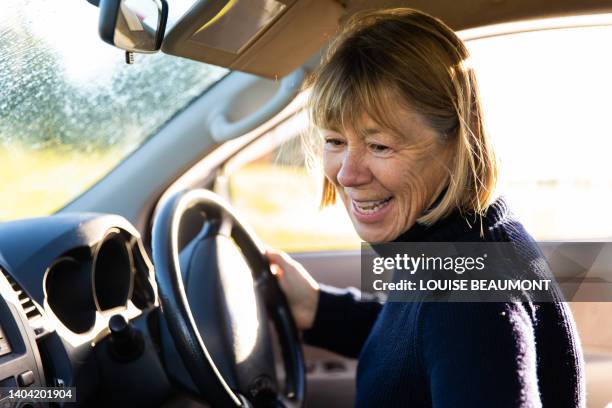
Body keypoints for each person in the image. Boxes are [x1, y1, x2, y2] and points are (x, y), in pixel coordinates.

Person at [265, 8, 585, 408]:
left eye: (379, 145)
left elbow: (461, 334)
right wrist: (318, 309)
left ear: (457, 138)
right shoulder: (458, 242)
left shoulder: (472, 300)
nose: (347, 174)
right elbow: (414, 346)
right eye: (334, 141)